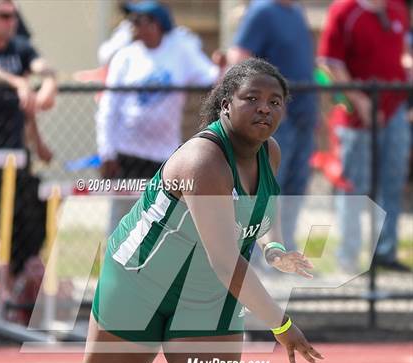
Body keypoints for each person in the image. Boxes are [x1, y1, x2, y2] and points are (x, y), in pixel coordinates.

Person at [31, 58, 323, 363]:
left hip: (206, 292)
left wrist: (275, 250)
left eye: (275, 102)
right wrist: (281, 323)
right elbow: (225, 261)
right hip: (139, 285)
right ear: (226, 103)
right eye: (252, 98)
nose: (265, 109)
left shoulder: (269, 154)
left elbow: (256, 223)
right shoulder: (202, 160)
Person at [96, 0, 220, 231]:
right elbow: (108, 108)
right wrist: (107, 152)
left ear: (157, 25)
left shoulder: (180, 52)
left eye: (138, 20)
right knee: (123, 219)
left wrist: (222, 66)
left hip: (164, 156)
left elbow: (210, 78)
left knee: (161, 219)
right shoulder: (125, 57)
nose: (131, 26)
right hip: (127, 153)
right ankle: (114, 266)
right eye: (130, 20)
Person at [318, 0, 411, 272]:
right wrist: (359, 101)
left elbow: (401, 51)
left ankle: (385, 252)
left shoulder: (397, 9)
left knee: (392, 182)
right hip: (356, 118)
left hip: (395, 111)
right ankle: (349, 258)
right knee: (353, 188)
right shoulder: (343, 11)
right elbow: (328, 64)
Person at [227, 0, 317, 251]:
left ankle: (285, 248)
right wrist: (269, 103)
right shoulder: (262, 10)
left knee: (295, 186)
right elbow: (240, 58)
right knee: (266, 187)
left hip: (304, 117)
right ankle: (256, 254)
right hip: (277, 120)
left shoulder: (298, 12)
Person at [0, 0, 57, 290]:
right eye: (3, 16)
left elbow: (43, 70)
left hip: (14, 158)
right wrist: (17, 83)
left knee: (24, 218)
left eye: (13, 16)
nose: (11, 22)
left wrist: (48, 83)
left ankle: (12, 286)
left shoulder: (20, 49)